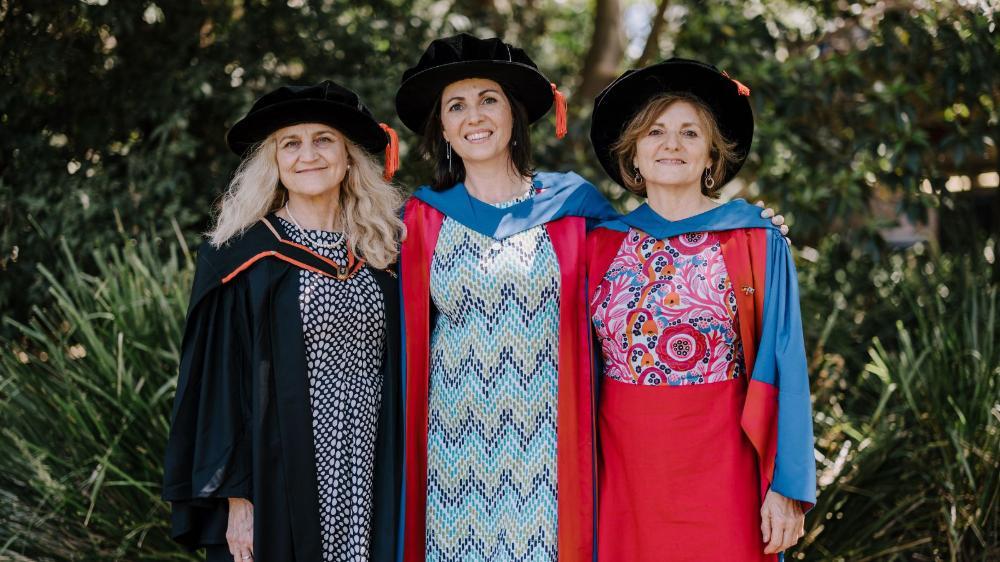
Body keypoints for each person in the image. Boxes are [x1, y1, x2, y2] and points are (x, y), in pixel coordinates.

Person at [162, 81, 404, 562]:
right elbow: (220, 388)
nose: (307, 155)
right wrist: (237, 500)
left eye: (323, 140)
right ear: (272, 161)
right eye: (290, 143)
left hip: (375, 463)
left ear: (349, 155)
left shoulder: (385, 250)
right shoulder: (243, 256)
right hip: (280, 469)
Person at [586, 59, 816, 561]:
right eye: (655, 132)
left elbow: (786, 361)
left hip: (725, 466)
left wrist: (786, 486)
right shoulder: (597, 245)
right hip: (624, 469)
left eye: (690, 132)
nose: (672, 144)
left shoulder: (756, 240)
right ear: (634, 154)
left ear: (712, 154)